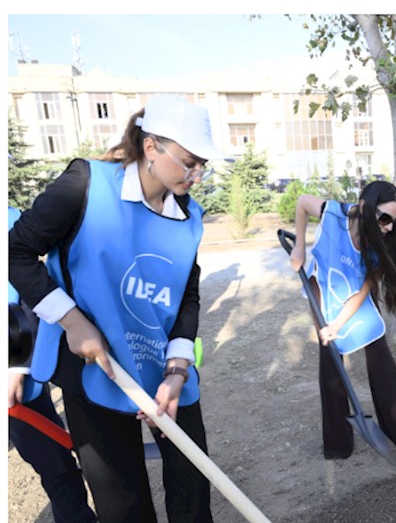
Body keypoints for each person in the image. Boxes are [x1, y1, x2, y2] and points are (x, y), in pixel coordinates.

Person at [9, 94, 232, 523]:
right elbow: (15, 251)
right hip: (94, 369)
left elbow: (186, 295)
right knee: (123, 505)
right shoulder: (86, 184)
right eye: (189, 161)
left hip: (163, 366)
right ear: (152, 147)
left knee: (192, 489)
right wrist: (72, 322)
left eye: (202, 163)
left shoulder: (189, 215)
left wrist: (177, 370)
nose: (197, 174)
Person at [289, 181, 396, 459]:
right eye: (385, 218)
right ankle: (338, 444)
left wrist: (337, 326)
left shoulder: (380, 247)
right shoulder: (332, 213)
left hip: (356, 297)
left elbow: (360, 294)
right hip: (325, 291)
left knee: (380, 359)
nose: (389, 227)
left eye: (395, 222)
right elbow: (303, 201)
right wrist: (299, 248)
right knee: (330, 362)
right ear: (364, 207)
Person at [8, 206, 98, 523]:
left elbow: (21, 300)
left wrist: (14, 367)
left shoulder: (8, 221)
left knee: (56, 467)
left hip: (13, 386)